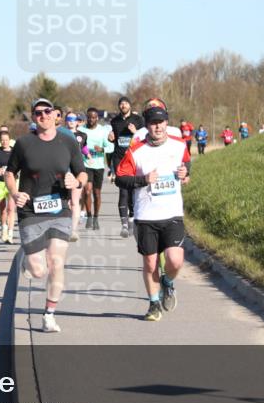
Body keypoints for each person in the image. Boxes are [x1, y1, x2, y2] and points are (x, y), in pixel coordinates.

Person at [6, 98, 87, 333]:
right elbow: (10, 173)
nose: (43, 115)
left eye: (47, 111)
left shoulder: (68, 142)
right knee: (38, 270)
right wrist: (14, 193)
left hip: (59, 209)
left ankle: (49, 314)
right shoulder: (23, 144)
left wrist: (76, 181)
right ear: (33, 117)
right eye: (38, 112)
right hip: (31, 210)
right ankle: (28, 262)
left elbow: (82, 173)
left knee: (56, 262)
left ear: (56, 115)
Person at [116, 103, 190, 321]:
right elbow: (121, 177)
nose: (158, 127)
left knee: (175, 260)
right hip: (146, 215)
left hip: (173, 213)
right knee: (150, 263)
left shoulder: (179, 145)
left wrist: (186, 171)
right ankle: (154, 304)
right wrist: (143, 179)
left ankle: (167, 282)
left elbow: (186, 164)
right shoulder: (136, 150)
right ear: (147, 126)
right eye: (153, 123)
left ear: (167, 123)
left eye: (161, 122)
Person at [108, 96, 144, 238]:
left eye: (125, 103)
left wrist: (136, 132)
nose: (123, 105)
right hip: (119, 159)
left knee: (133, 191)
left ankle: (131, 219)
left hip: (134, 159)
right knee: (123, 190)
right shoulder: (114, 121)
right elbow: (114, 139)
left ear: (130, 105)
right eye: (121, 104)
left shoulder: (138, 121)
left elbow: (144, 138)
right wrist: (110, 138)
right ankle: (124, 224)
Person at [79, 107, 113, 230]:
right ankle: (88, 216)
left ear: (97, 118)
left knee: (96, 193)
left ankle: (96, 218)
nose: (91, 119)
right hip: (86, 164)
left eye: (93, 117)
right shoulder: (80, 130)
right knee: (87, 191)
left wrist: (102, 149)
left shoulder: (102, 131)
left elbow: (111, 147)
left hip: (98, 166)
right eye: (89, 117)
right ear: (86, 118)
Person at [56, 108, 84, 242]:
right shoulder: (51, 132)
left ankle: (73, 230)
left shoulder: (75, 135)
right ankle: (63, 226)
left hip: (75, 170)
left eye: (58, 115)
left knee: (74, 201)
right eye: (69, 119)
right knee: (64, 201)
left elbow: (80, 152)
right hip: (60, 172)